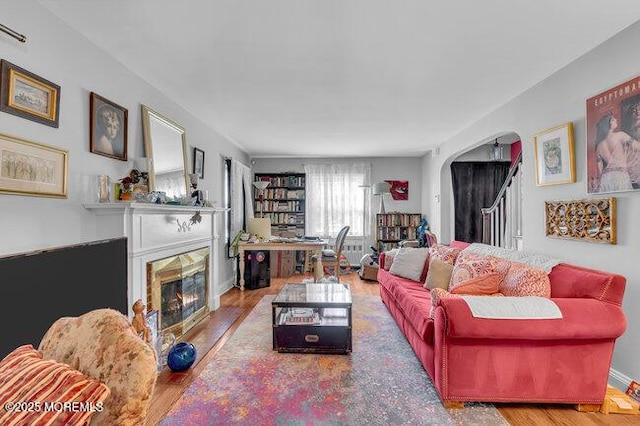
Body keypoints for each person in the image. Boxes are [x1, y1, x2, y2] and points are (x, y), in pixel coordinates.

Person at [594, 113, 633, 192]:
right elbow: (637, 146)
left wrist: (600, 182)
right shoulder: (620, 135)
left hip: (606, 177)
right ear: (609, 123)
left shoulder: (599, 146)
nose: (616, 120)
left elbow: (600, 168)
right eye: (613, 119)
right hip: (620, 175)